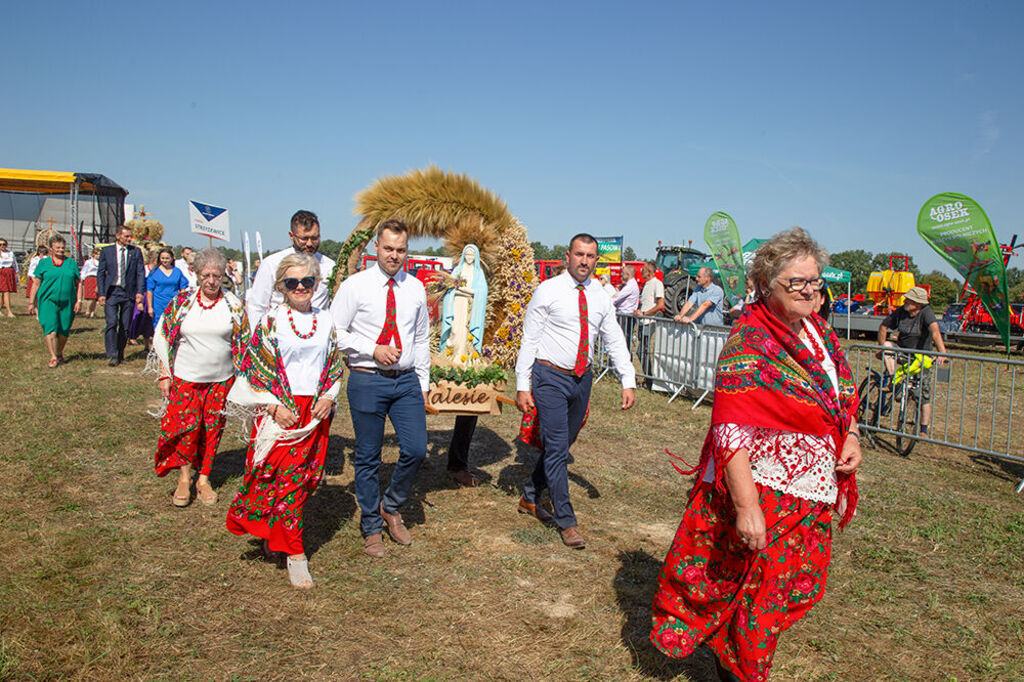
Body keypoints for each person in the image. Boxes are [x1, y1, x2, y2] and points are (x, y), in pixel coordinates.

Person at [650, 227, 862, 681]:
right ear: (767, 286)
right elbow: (731, 432)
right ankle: (742, 670)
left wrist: (850, 436)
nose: (810, 291)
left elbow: (839, 398)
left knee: (781, 594)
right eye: (798, 282)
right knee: (759, 601)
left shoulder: (819, 334)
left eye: (815, 282)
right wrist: (748, 509)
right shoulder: (748, 345)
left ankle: (735, 653)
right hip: (765, 492)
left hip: (812, 492)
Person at [226, 253, 343, 589]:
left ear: (316, 284)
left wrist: (328, 396)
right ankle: (295, 554)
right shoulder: (271, 322)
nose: (301, 288)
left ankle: (279, 537)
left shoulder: (326, 321)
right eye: (293, 283)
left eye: (307, 282)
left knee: (301, 480)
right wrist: (273, 407)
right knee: (275, 478)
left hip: (313, 414)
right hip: (279, 413)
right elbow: (254, 369)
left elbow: (334, 364)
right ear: (281, 287)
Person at [515, 233, 636, 549]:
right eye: (579, 254)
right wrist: (521, 385)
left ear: (597, 260)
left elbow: (613, 338)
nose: (584, 261)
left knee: (564, 442)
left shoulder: (599, 295)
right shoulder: (548, 290)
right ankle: (567, 521)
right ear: (568, 256)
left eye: (590, 256)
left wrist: (627, 379)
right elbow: (529, 339)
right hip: (550, 377)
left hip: (582, 379)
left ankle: (530, 494)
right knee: (557, 448)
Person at [330, 219, 430, 558]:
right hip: (367, 377)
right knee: (369, 457)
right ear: (376, 248)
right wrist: (372, 348)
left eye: (401, 250)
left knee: (416, 449)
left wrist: (424, 382)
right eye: (388, 248)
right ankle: (371, 525)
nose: (394, 255)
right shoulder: (355, 286)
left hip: (406, 381)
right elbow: (336, 332)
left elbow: (421, 337)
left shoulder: (415, 288)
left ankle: (391, 504)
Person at [152, 249, 247, 507]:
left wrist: (244, 382)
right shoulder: (182, 302)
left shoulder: (234, 305)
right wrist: (164, 373)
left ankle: (203, 479)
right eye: (206, 275)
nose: (212, 281)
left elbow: (244, 343)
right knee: (185, 428)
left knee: (212, 429)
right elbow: (164, 336)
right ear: (196, 274)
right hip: (186, 378)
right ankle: (184, 478)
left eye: (217, 275)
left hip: (221, 381)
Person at [877, 285, 947, 436]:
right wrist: (881, 347)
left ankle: (923, 429)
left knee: (924, 393)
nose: (905, 301)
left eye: (910, 300)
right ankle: (892, 380)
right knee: (888, 345)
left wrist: (942, 352)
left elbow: (935, 331)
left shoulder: (926, 313)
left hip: (921, 357)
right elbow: (883, 327)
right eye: (907, 299)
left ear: (919, 303)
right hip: (903, 352)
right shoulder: (901, 311)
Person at [247, 210, 336, 328]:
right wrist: (258, 340)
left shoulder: (329, 266)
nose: (309, 243)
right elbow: (257, 306)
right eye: (304, 238)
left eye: (314, 238)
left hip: (317, 333)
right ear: (291, 236)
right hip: (281, 333)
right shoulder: (272, 263)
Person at [27, 235, 83, 367]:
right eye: (57, 247)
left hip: (68, 302)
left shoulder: (71, 263)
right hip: (48, 301)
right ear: (51, 248)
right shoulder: (44, 263)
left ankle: (59, 352)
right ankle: (53, 357)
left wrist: (79, 300)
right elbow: (36, 283)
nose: (61, 250)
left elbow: (79, 283)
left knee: (63, 331)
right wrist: (31, 302)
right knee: (50, 328)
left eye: (63, 247)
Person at [97, 225, 146, 366]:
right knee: (112, 322)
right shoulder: (107, 251)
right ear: (118, 236)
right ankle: (112, 353)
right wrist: (101, 293)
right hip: (112, 292)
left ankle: (120, 353)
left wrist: (139, 292)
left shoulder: (135, 252)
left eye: (130, 236)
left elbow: (140, 273)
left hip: (128, 293)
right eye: (126, 236)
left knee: (125, 325)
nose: (129, 239)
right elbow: (101, 273)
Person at [633, 262, 665, 384]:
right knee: (641, 350)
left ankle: (650, 380)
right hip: (643, 322)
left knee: (643, 350)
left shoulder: (657, 284)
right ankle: (648, 378)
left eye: (643, 269)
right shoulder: (647, 284)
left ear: (649, 271)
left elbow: (660, 304)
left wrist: (645, 314)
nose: (641, 270)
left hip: (649, 321)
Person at [147, 247, 190, 328]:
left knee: (172, 326)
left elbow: (182, 288)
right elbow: (149, 290)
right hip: (158, 304)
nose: (165, 260)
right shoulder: (154, 272)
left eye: (167, 258)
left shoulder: (177, 271)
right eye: (162, 258)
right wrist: (150, 307)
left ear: (172, 258)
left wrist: (183, 303)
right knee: (158, 326)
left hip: (173, 303)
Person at [612, 264, 640, 352]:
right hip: (625, 315)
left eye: (623, 273)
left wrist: (609, 300)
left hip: (625, 316)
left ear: (628, 274)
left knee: (622, 339)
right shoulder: (631, 285)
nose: (622, 275)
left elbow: (616, 298)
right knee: (624, 339)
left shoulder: (630, 286)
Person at [25, 245, 48, 311]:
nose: (42, 253)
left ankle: (41, 308)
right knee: (35, 295)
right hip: (35, 279)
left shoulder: (46, 259)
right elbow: (31, 270)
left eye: (44, 251)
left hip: (43, 279)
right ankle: (35, 308)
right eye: (41, 251)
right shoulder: (35, 259)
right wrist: (33, 278)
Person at [80, 247, 101, 318]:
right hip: (89, 278)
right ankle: (87, 311)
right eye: (97, 254)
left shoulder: (101, 262)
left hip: (97, 279)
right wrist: (82, 279)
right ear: (93, 254)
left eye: (99, 254)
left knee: (95, 297)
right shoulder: (89, 262)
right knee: (91, 297)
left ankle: (92, 312)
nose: (98, 256)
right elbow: (84, 270)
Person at [0, 238, 18, 317]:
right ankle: (9, 312)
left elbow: (14, 263)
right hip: (1, 272)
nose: (2, 246)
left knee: (4, 292)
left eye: (4, 244)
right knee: (5, 292)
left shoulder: (10, 253)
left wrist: (17, 272)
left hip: (9, 272)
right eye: (0, 244)